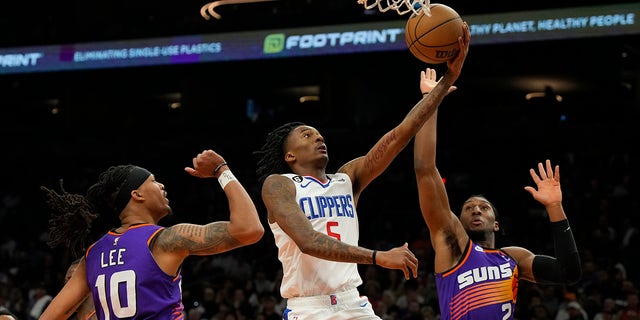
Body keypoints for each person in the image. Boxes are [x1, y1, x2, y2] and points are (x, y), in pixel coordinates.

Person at [252, 22, 470, 319]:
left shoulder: (346, 178)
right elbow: (307, 241)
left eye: (319, 134)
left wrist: (445, 83)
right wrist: (379, 257)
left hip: (353, 303)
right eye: (307, 135)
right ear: (289, 155)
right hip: (309, 308)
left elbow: (398, 136)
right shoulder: (279, 185)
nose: (319, 137)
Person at [412, 71, 582, 319]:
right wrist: (430, 99)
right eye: (469, 208)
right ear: (458, 220)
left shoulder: (513, 257)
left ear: (496, 224)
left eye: (484, 207)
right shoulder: (453, 245)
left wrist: (555, 207)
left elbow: (569, 273)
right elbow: (424, 169)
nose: (476, 210)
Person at [39, 149, 264, 320]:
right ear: (136, 194)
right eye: (154, 181)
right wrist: (221, 170)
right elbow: (250, 229)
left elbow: (50, 317)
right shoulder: (163, 240)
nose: (162, 185)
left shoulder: (93, 254)